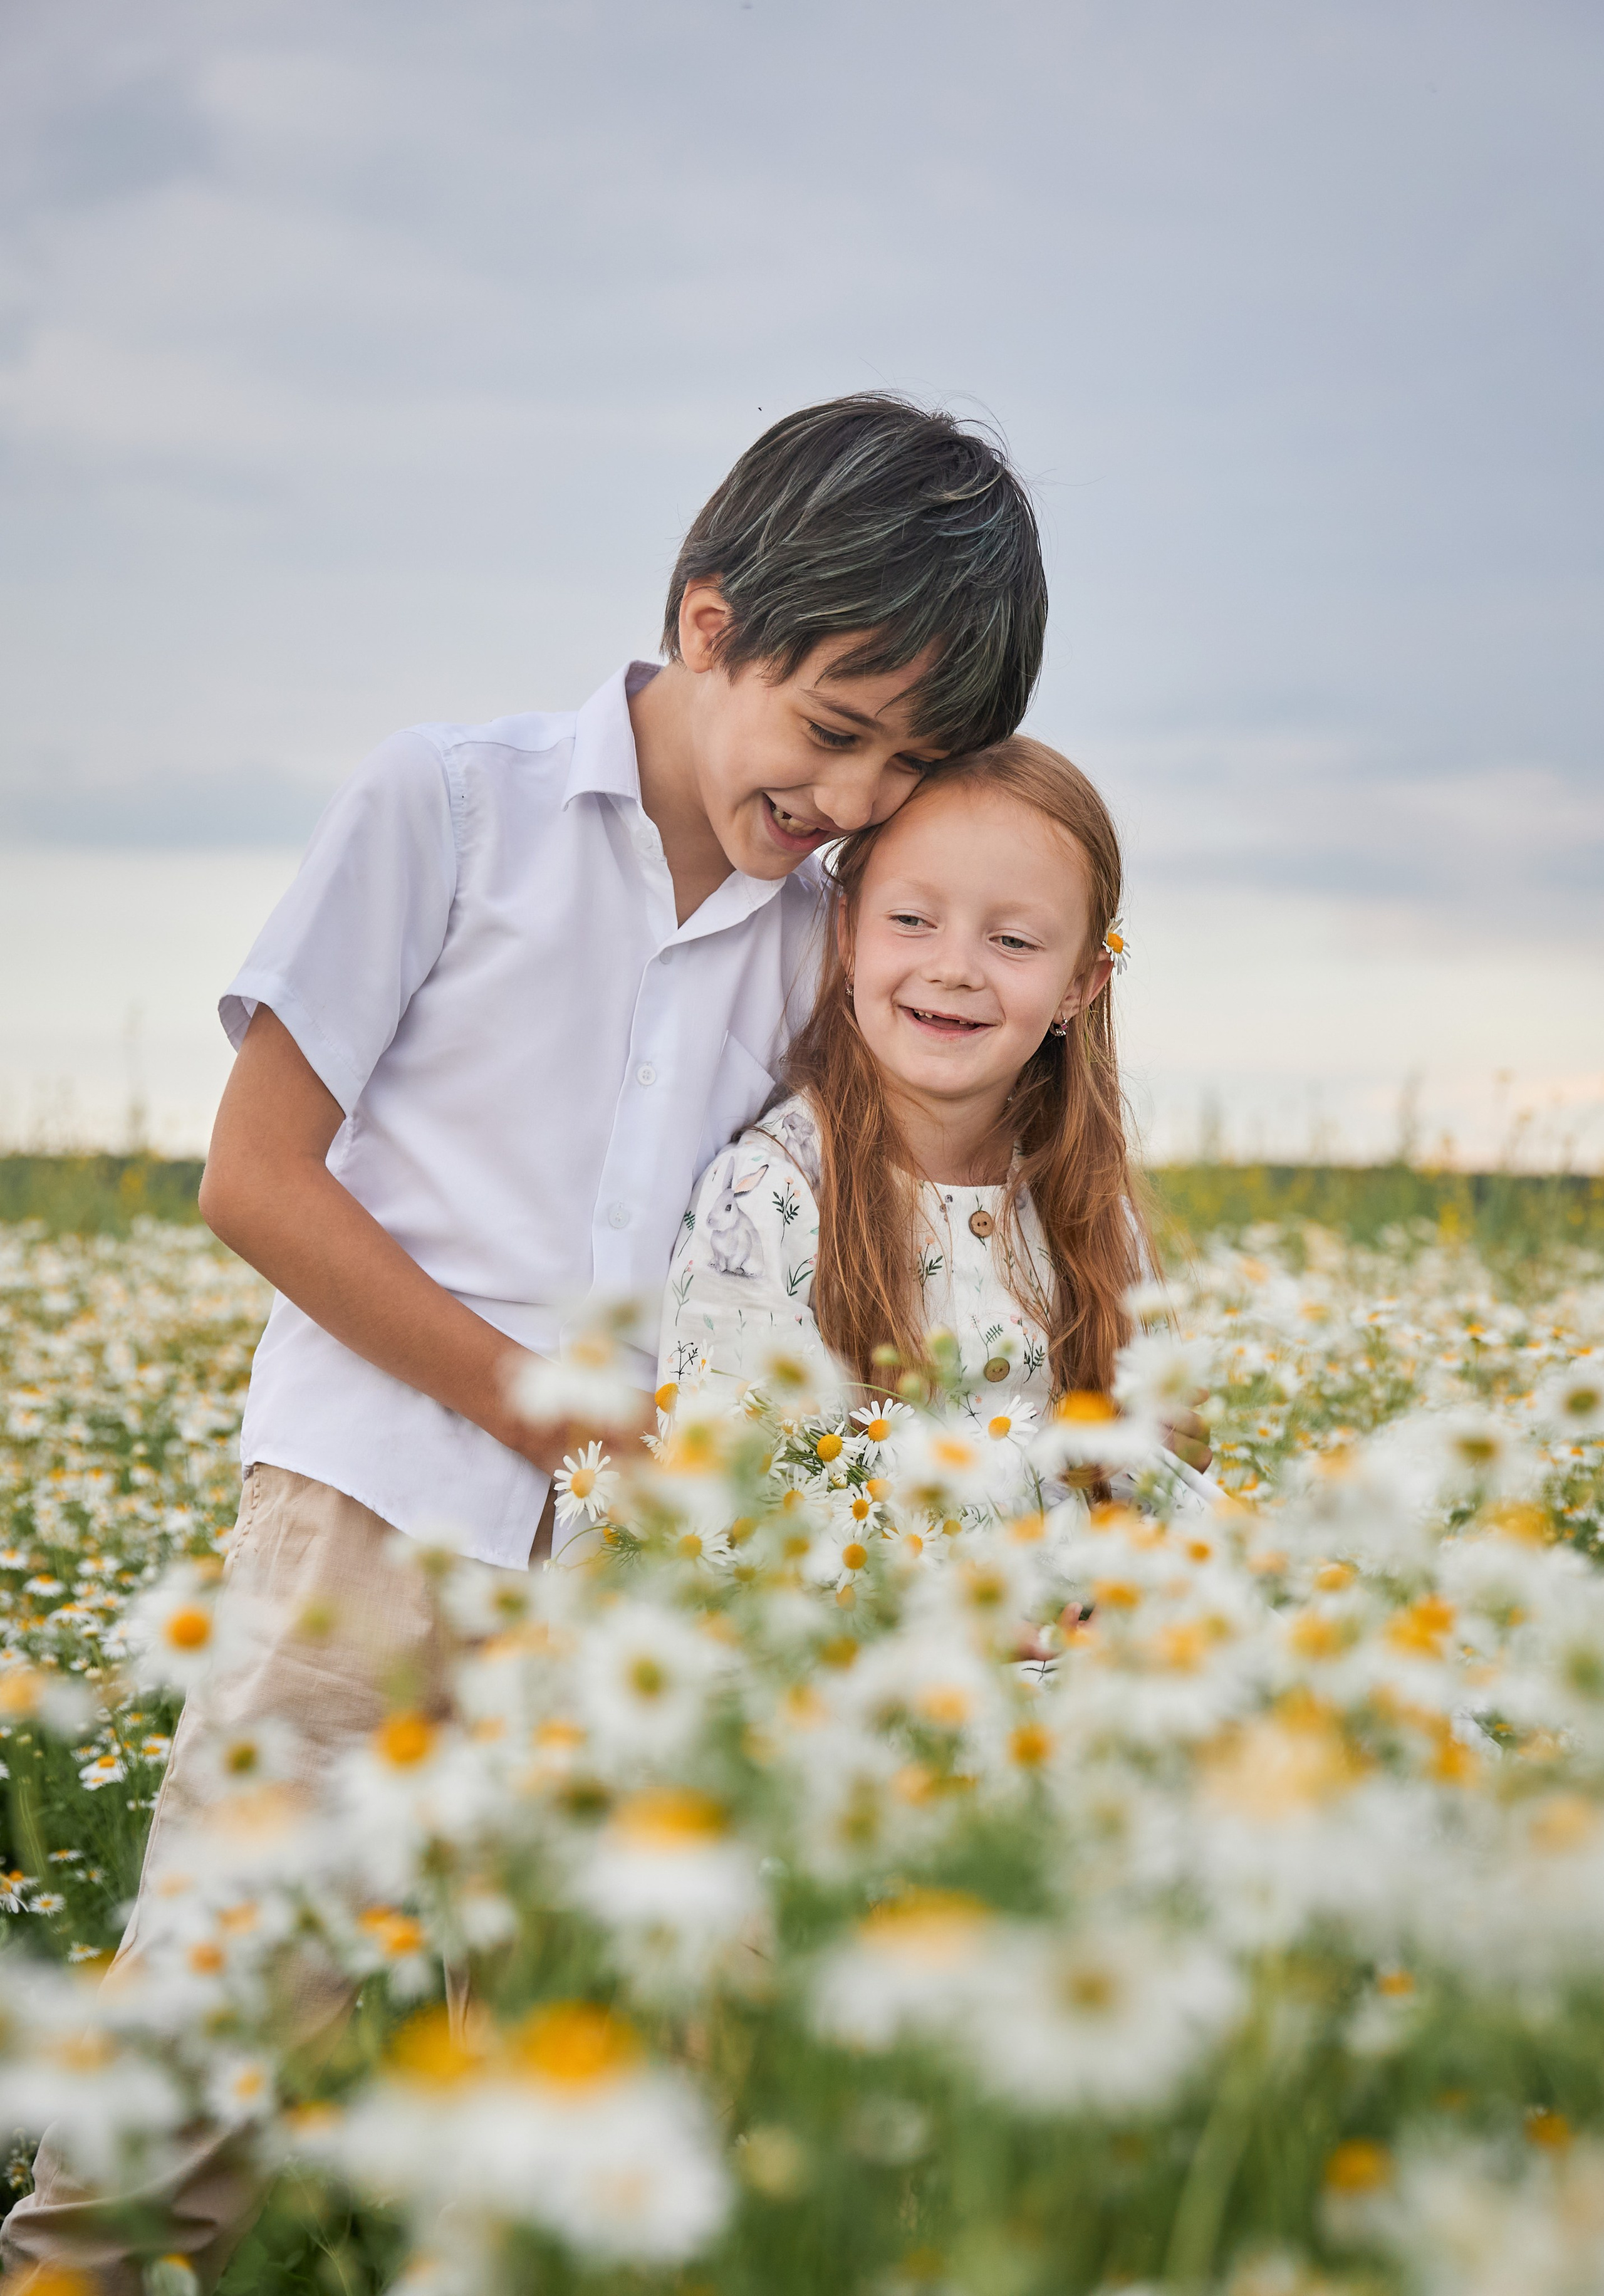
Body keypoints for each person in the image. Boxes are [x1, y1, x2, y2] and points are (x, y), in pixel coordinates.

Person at [2, 395, 1048, 2292]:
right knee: (192, 2068)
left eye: (907, 762)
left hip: (631, 1597)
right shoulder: (453, 802)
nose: (857, 797)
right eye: (834, 733)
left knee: (583, 2090)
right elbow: (254, 1175)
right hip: (363, 1524)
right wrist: (534, 1400)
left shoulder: (823, 922)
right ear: (708, 620)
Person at [660, 735, 1180, 1466]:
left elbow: (1138, 1490)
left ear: (1079, 986)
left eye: (1012, 939)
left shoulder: (1092, 1212)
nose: (954, 968)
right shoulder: (767, 1197)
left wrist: (1171, 1463)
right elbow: (725, 1496)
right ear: (847, 932)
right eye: (911, 921)